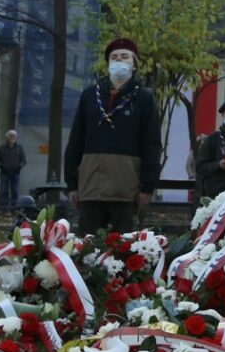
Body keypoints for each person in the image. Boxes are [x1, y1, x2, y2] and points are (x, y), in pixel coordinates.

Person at [67, 34, 160, 230]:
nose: (119, 60)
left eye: (125, 57)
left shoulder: (144, 98)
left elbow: (151, 144)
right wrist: (72, 184)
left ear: (134, 65)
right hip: (91, 186)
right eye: (114, 57)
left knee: (121, 250)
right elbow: (76, 140)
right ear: (108, 64)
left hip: (126, 189)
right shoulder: (90, 96)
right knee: (86, 246)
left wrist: (147, 186)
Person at [0, 128, 27, 209]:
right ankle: (3, 208)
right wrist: (1, 166)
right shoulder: (2, 148)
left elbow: (24, 161)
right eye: (11, 136)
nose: (12, 137)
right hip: (4, 173)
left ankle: (15, 208)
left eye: (14, 136)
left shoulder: (19, 148)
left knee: (15, 191)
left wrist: (19, 167)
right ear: (7, 138)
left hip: (16, 173)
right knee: (3, 191)